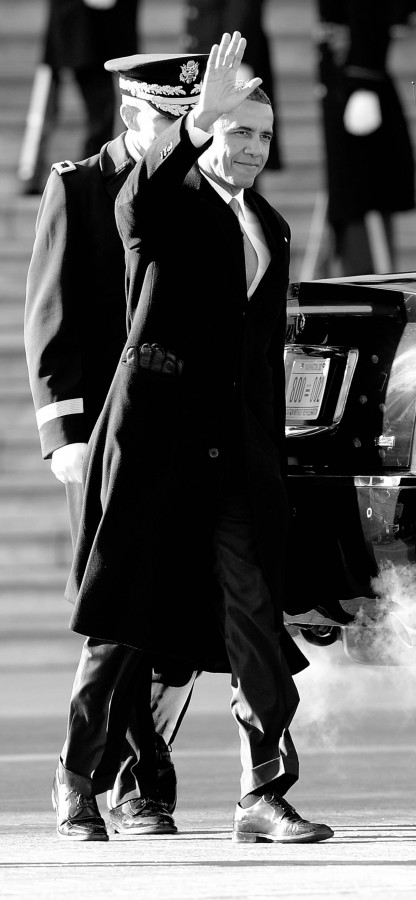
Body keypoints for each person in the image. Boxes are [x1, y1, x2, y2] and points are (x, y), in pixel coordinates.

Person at [64, 31, 334, 844]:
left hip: (237, 462)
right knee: (124, 624)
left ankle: (264, 791)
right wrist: (189, 128)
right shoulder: (162, 202)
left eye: (263, 133)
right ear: (208, 132)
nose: (251, 147)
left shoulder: (271, 226)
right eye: (236, 131)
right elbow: (134, 209)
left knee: (255, 612)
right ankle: (79, 781)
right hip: (154, 450)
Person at [25, 50, 210, 839]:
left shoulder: (205, 191)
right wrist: (64, 431)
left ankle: (134, 775)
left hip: (187, 436)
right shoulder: (77, 186)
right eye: (172, 121)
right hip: (105, 436)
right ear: (133, 115)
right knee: (121, 607)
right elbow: (50, 320)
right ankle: (115, 779)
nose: (185, 135)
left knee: (176, 625)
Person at [315, 0, 415, 275]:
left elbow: (370, 11)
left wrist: (364, 80)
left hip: (356, 75)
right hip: (341, 75)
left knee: (363, 195)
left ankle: (368, 282)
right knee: (349, 195)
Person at [19, 0, 141, 195]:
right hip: (73, 22)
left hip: (108, 26)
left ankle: (96, 177)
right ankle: (33, 173)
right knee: (48, 105)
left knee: (106, 112)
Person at [181, 0, 282, 171]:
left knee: (237, 144)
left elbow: (242, 7)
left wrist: (237, 61)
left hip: (227, 59)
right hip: (209, 54)